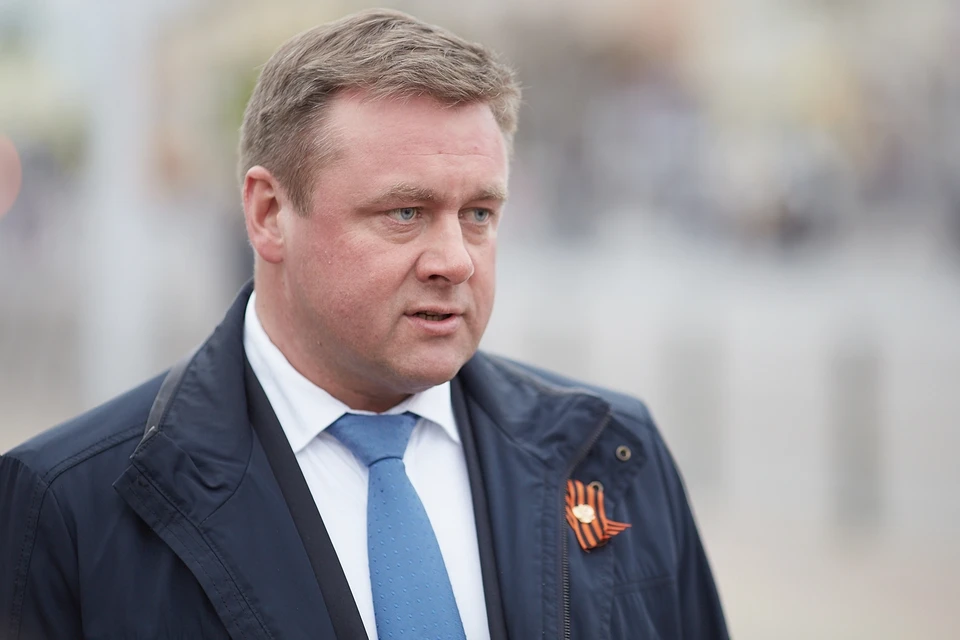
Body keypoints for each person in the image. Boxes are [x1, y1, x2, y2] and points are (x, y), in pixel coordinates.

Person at [0, 9, 728, 639]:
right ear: (268, 213)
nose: (455, 260)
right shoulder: (69, 504)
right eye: (404, 212)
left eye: (479, 213)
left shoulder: (611, 454)